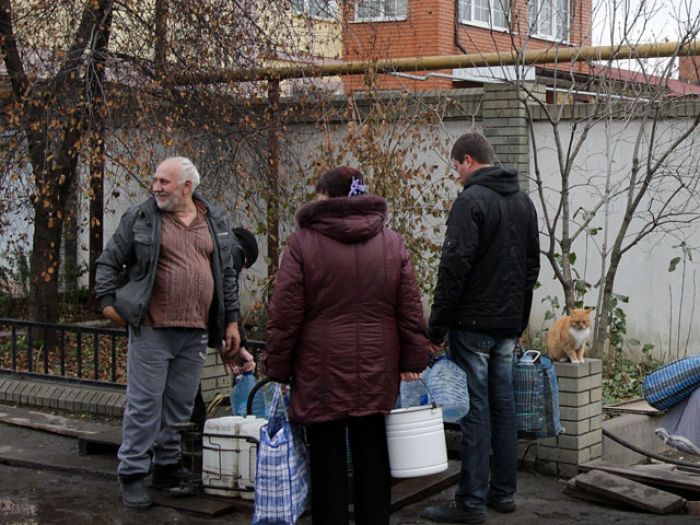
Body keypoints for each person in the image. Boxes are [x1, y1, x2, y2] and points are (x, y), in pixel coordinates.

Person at [265, 167, 429, 525]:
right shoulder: (391, 242)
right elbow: (411, 307)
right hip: (376, 365)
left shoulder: (302, 243)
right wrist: (414, 357)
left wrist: (277, 366)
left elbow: (285, 313)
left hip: (319, 369)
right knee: (372, 451)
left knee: (327, 457)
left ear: (327, 196)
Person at [95, 157, 250, 509]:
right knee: (144, 405)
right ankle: (132, 474)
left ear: (187, 187)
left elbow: (226, 276)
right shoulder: (142, 217)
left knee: (179, 406)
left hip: (195, 329)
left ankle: (167, 468)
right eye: (156, 180)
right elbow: (109, 262)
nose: (156, 187)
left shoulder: (214, 220)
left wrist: (231, 323)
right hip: (152, 327)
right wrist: (108, 306)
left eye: (164, 181)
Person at [423, 132, 540, 524]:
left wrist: (436, 327)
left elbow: (454, 267)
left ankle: (471, 502)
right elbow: (530, 269)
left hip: (471, 325)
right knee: (502, 406)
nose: (455, 173)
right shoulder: (523, 202)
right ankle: (503, 493)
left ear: (468, 160)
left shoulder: (470, 201)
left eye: (456, 166)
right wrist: (519, 320)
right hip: (506, 326)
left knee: (474, 412)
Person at [190, 226, 259, 431]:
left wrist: (223, 344)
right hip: (186, 325)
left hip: (176, 321)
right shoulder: (234, 253)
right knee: (188, 390)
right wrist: (237, 344)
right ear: (245, 259)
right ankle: (192, 442)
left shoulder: (213, 240)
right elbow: (226, 300)